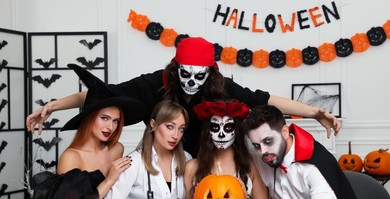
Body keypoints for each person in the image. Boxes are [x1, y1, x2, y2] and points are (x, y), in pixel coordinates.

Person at [26, 37, 341, 157]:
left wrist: (313, 112)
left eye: (198, 76)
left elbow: (265, 99)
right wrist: (52, 106)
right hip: (161, 163)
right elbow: (101, 95)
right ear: (176, 69)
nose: (191, 83)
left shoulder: (221, 88)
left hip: (204, 162)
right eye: (184, 74)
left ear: (210, 73)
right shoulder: (156, 84)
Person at [224, 104, 388, 199]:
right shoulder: (265, 159)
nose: (263, 152)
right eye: (257, 146)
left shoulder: (315, 163)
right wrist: (239, 195)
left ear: (285, 132)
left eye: (268, 141)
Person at [23, 64, 146, 199]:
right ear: (90, 118)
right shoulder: (72, 156)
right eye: (104, 118)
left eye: (116, 121)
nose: (111, 126)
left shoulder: (117, 149)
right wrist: (108, 180)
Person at [99, 100, 191, 199]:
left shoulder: (186, 160)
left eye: (181, 129)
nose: (175, 135)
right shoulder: (135, 161)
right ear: (153, 124)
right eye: (169, 127)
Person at [181, 100, 270, 199]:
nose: (221, 134)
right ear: (207, 131)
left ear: (236, 131)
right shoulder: (193, 167)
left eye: (228, 128)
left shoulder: (249, 164)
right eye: (215, 128)